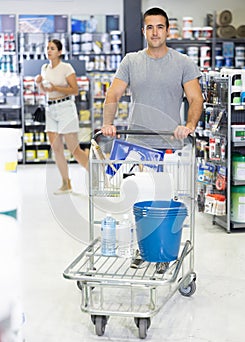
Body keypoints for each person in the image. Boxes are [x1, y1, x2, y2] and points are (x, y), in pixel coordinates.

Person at [101, 7, 204, 273]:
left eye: (160, 27)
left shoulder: (182, 63)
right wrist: (108, 124)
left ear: (168, 30)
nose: (155, 32)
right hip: (138, 146)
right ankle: (142, 248)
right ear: (143, 31)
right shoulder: (131, 61)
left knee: (164, 205)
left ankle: (163, 252)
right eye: (150, 27)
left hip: (170, 146)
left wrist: (189, 125)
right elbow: (113, 95)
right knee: (139, 203)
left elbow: (195, 99)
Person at [35, 39, 88, 195]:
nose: (49, 51)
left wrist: (55, 87)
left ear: (59, 52)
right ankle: (66, 183)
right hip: (51, 109)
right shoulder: (44, 68)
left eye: (52, 48)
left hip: (66, 108)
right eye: (47, 48)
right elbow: (46, 90)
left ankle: (98, 178)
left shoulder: (66, 68)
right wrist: (39, 84)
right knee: (56, 149)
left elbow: (75, 90)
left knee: (74, 149)